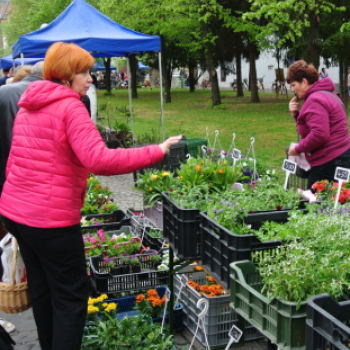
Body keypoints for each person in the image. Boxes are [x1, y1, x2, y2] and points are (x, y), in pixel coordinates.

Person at [0, 42, 181, 350]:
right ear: (66, 75)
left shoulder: (30, 104)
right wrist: (157, 150)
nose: (91, 78)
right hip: (51, 222)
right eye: (83, 72)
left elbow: (18, 161)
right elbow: (100, 160)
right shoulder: (70, 106)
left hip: (17, 215)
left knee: (44, 293)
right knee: (71, 298)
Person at [287, 60, 350, 189]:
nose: (293, 89)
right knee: (334, 202)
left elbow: (319, 134)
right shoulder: (329, 95)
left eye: (294, 85)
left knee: (313, 205)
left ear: (304, 82)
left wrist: (297, 150)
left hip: (328, 160)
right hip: (341, 154)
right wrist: (296, 115)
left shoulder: (314, 99)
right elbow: (315, 126)